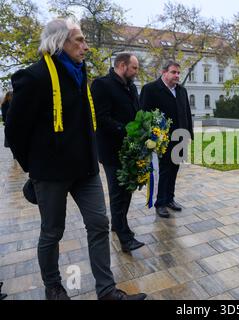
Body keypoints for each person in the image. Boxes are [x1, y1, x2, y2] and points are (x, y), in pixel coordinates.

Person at [5, 18, 146, 300]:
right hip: (51, 172)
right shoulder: (34, 77)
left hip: (85, 168)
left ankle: (106, 291)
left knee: (98, 223)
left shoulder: (80, 72)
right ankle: (54, 287)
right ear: (60, 42)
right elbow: (14, 130)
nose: (86, 46)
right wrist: (34, 168)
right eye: (79, 40)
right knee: (52, 232)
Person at [90, 53, 144, 253]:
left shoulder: (131, 86)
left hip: (130, 149)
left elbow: (137, 112)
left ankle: (118, 224)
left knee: (127, 188)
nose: (136, 72)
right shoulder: (101, 85)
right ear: (122, 65)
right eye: (134, 68)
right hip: (112, 150)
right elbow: (101, 118)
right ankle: (124, 236)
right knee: (118, 192)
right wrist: (126, 130)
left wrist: (143, 128)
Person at [139, 61, 193, 218]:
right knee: (164, 171)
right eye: (173, 72)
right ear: (164, 73)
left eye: (178, 73)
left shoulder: (182, 90)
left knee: (174, 170)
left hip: (180, 138)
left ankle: (170, 198)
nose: (177, 75)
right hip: (162, 140)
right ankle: (160, 203)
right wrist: (149, 138)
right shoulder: (150, 89)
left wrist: (189, 134)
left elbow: (186, 113)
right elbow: (143, 115)